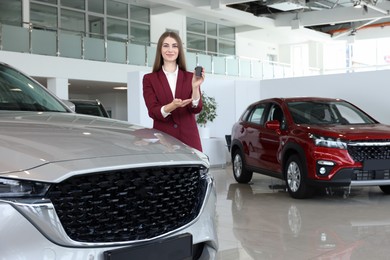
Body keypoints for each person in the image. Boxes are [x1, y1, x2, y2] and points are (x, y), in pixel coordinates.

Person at [142, 31, 204, 151]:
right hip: (163, 141)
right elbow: (153, 111)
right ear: (160, 49)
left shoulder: (190, 77)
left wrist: (195, 87)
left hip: (189, 139)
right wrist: (172, 106)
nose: (170, 50)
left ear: (179, 50)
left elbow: (196, 108)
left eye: (174, 46)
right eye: (166, 45)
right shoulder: (149, 79)